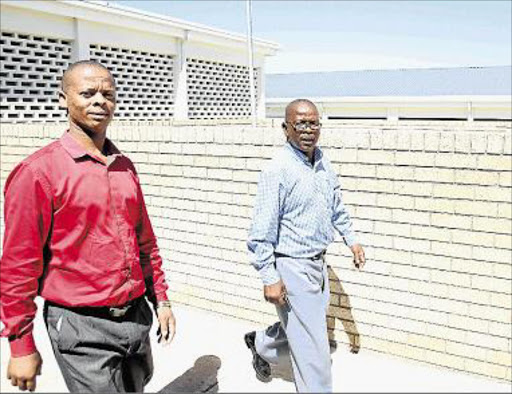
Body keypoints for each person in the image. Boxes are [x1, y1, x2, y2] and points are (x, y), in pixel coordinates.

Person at [0, 60, 176, 393]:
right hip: (82, 328)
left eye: (108, 94)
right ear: (63, 98)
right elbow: (17, 266)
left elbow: (145, 244)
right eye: (87, 93)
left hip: (135, 317)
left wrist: (161, 300)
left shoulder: (124, 167)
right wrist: (20, 345)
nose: (99, 101)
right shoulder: (38, 173)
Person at [245, 99, 366, 392]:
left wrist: (352, 240)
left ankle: (261, 342)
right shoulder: (278, 169)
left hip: (318, 266)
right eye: (300, 124)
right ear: (286, 129)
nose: (308, 130)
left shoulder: (323, 163)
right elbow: (260, 232)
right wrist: (269, 276)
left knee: (302, 331)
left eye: (314, 123)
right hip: (292, 266)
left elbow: (336, 206)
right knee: (316, 358)